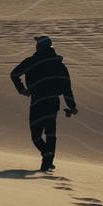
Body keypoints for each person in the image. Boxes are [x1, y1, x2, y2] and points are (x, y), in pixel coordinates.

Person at [9, 35, 78, 172]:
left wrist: (22, 89)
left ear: (41, 47)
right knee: (50, 134)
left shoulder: (32, 61)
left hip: (38, 101)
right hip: (53, 103)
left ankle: (46, 161)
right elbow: (67, 88)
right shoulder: (59, 66)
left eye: (37, 44)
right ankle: (48, 161)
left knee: (36, 136)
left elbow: (14, 74)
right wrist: (71, 106)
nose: (36, 46)